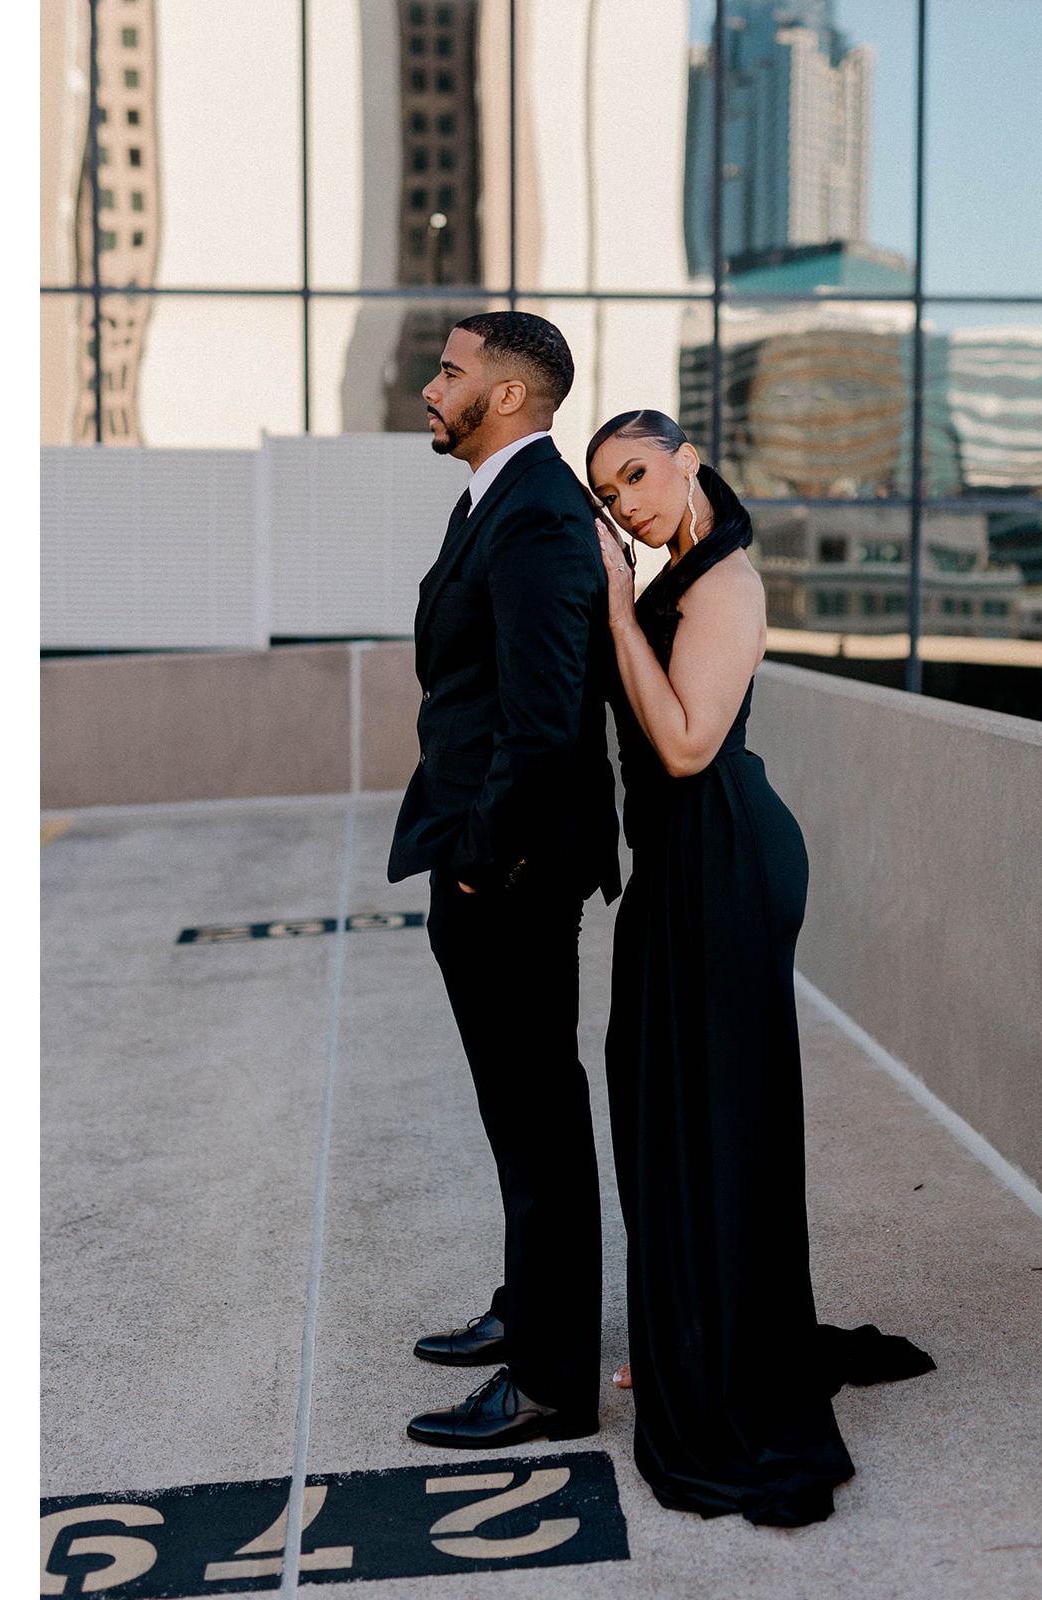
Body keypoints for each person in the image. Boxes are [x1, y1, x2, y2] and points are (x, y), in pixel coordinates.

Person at [586, 409, 935, 1527]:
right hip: (680, 863)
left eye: (638, 474)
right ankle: (688, 1329)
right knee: (665, 1105)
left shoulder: (724, 585)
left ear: (687, 459)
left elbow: (687, 743)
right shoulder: (679, 575)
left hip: (723, 860)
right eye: (608, 494)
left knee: (716, 1115)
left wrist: (612, 609)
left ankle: (721, 1349)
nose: (626, 502)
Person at [386, 313, 622, 1449]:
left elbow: (543, 722)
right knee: (517, 1118)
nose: (432, 387)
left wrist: (483, 866)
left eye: (450, 371)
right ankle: (530, 1311)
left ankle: (550, 1385)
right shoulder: (494, 500)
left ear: (511, 396)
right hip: (484, 856)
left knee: (539, 1126)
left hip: (511, 873)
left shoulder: (535, 516)